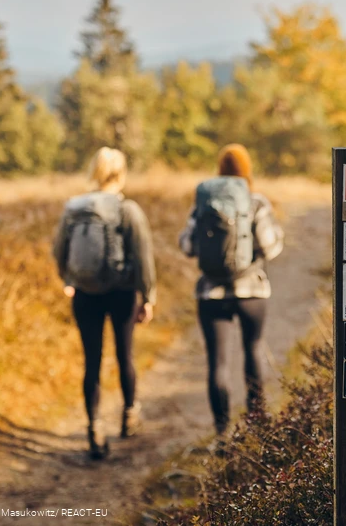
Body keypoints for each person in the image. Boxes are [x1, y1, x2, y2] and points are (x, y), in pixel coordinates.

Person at [52, 147, 157, 460]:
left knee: (92, 361)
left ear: (93, 171)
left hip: (84, 294)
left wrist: (70, 280)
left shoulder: (73, 208)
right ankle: (129, 416)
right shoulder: (127, 209)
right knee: (125, 355)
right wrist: (148, 296)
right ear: (120, 173)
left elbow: (59, 251)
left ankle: (94, 428)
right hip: (122, 292)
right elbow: (143, 256)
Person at [179, 143, 284, 441]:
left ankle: (222, 433)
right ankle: (257, 426)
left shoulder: (203, 203)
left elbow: (187, 245)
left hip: (211, 294)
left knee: (218, 362)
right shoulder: (256, 201)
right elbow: (270, 247)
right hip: (251, 291)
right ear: (247, 169)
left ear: (220, 169)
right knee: (253, 350)